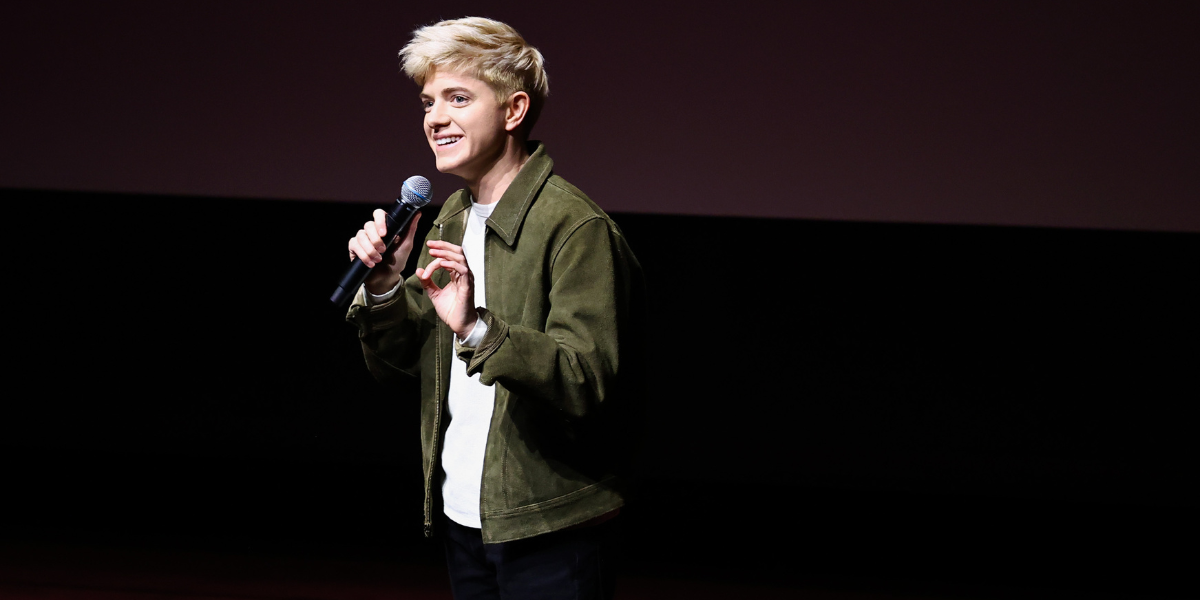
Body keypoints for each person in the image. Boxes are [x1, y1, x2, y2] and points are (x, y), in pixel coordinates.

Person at [344, 17, 645, 600]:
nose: (434, 118)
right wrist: (384, 285)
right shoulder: (453, 215)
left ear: (512, 111)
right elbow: (399, 361)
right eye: (429, 101)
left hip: (550, 521)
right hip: (466, 516)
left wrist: (478, 326)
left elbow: (586, 378)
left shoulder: (575, 227)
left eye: (458, 98)